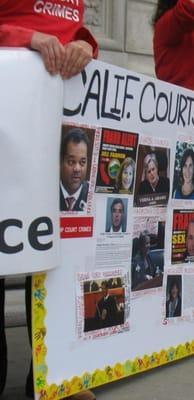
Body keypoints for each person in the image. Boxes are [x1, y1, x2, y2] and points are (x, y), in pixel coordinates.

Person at [0, 3, 98, 399]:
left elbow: (70, 28)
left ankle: (53, 378)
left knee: (56, 250)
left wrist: (85, 45)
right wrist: (25, 39)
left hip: (53, 112)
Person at [60, 128, 90, 212]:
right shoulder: (49, 191)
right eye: (71, 162)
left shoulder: (91, 193)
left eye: (82, 162)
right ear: (61, 161)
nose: (77, 169)